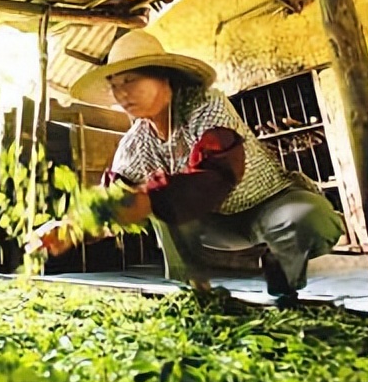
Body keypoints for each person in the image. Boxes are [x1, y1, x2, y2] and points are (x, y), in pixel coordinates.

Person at [38, 30, 344, 301]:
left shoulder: (206, 106)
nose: (122, 93)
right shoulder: (134, 145)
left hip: (266, 206)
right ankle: (195, 292)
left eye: (130, 80)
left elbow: (215, 176)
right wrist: (71, 228)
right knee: (144, 199)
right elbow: (111, 203)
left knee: (311, 219)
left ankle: (282, 273)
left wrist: (147, 197)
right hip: (211, 227)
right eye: (115, 85)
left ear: (163, 77)